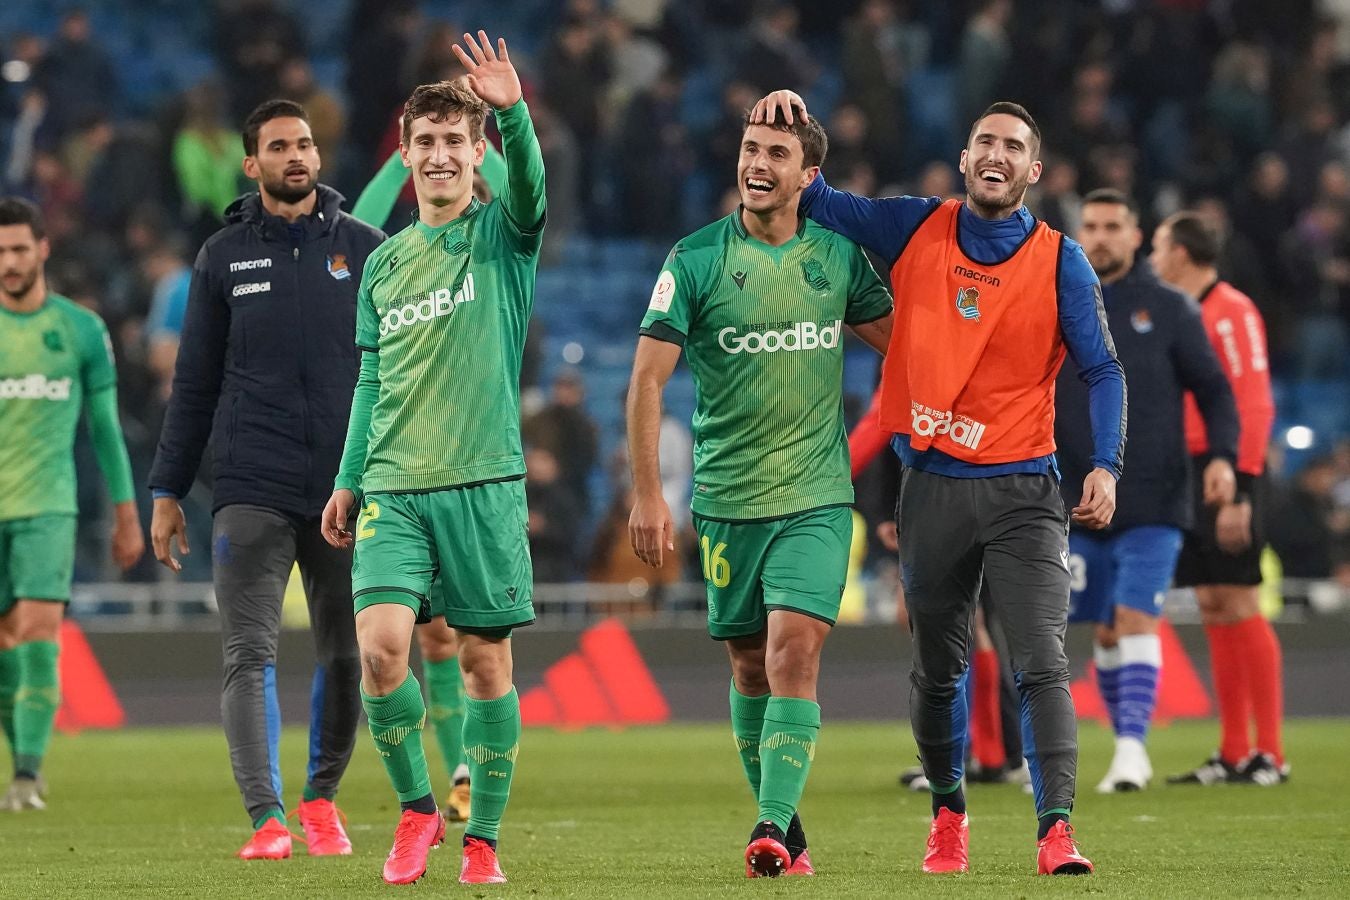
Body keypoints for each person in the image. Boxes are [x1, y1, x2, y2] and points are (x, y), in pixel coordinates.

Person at [753, 91, 1127, 876]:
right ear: (965, 159)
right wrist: (797, 121)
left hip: (1026, 490)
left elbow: (1102, 368)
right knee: (938, 671)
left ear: (1034, 167)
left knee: (1042, 662)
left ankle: (1056, 830)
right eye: (983, 141)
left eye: (1012, 146)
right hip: (931, 489)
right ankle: (948, 813)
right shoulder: (916, 224)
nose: (996, 154)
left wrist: (1105, 462)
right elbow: (816, 196)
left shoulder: (1061, 259)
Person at [627, 109, 893, 878]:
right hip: (724, 502)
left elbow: (908, 344)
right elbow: (647, 379)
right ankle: (790, 831)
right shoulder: (697, 258)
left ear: (810, 176)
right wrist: (648, 494)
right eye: (751, 148)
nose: (759, 162)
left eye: (778, 152)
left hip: (814, 496)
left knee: (793, 649)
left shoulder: (838, 258)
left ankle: (770, 825)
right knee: (749, 666)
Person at [320, 32, 545, 887]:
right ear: (408, 157)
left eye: (457, 140)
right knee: (382, 649)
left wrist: (513, 112)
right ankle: (417, 811)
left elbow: (532, 188)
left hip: (483, 484)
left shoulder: (504, 239)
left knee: (487, 664)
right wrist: (348, 480)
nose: (442, 154)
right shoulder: (382, 267)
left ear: (474, 152)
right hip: (394, 490)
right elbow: (371, 384)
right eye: (427, 143)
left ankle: (481, 839)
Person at [147, 99, 386, 859]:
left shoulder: (368, 249)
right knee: (249, 655)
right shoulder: (222, 257)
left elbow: (401, 372)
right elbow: (193, 383)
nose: (296, 155)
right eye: (280, 146)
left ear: (320, 156)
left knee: (348, 652)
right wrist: (166, 490)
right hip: (249, 483)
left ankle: (321, 800)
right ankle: (268, 819)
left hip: (345, 487)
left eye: (306, 144)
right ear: (252, 163)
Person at [1057, 190, 1239, 793]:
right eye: (1091, 225)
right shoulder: (1056, 299)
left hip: (1156, 494)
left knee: (1135, 616)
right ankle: (1124, 742)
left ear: (1136, 237)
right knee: (1105, 630)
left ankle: (1132, 749)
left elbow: (1214, 389)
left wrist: (1221, 457)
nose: (1101, 236)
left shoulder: (1169, 308)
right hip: (1077, 499)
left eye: (1113, 226)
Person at [0, 198, 143, 810]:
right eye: (0, 252)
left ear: (43, 249)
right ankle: (21, 764)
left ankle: (27, 775)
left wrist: (126, 512)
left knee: (36, 632)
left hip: (48, 505)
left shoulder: (81, 330)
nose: (9, 262)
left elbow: (106, 429)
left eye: (19, 250)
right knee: (7, 645)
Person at [1150, 212, 1285, 786]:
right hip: (1191, 471)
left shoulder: (1231, 310)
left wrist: (1242, 488)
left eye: (1158, 245)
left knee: (1240, 598)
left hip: (1227, 471)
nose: (1154, 256)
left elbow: (1252, 403)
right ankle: (1232, 750)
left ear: (1181, 252)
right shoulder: (1184, 314)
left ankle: (1271, 753)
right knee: (1212, 601)